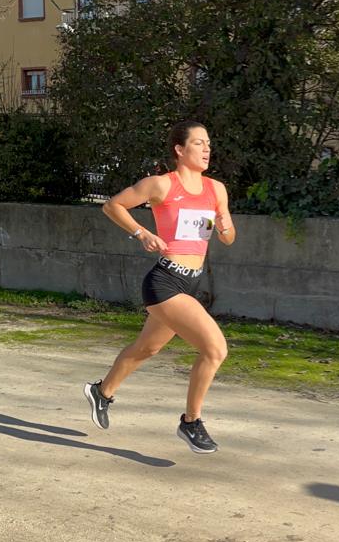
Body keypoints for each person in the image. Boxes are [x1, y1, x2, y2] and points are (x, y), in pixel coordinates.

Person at [83, 120, 236, 454]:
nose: (207, 148)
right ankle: (191, 421)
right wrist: (142, 233)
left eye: (209, 142)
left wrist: (225, 227)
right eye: (199, 143)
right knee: (215, 349)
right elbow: (112, 205)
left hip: (190, 282)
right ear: (180, 150)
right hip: (165, 282)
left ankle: (101, 392)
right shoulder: (161, 185)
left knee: (146, 349)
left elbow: (227, 237)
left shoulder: (216, 190)